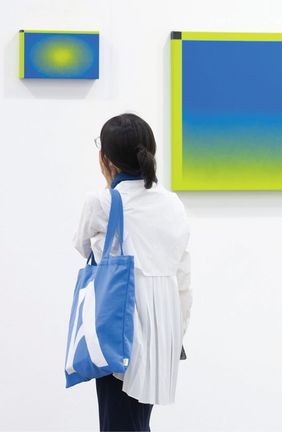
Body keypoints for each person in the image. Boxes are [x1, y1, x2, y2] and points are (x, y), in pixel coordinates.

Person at [72, 113, 192, 431]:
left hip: (121, 322)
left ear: (106, 158)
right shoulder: (172, 203)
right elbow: (183, 275)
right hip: (164, 323)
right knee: (135, 421)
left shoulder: (102, 202)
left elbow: (81, 245)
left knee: (118, 422)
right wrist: (178, 332)